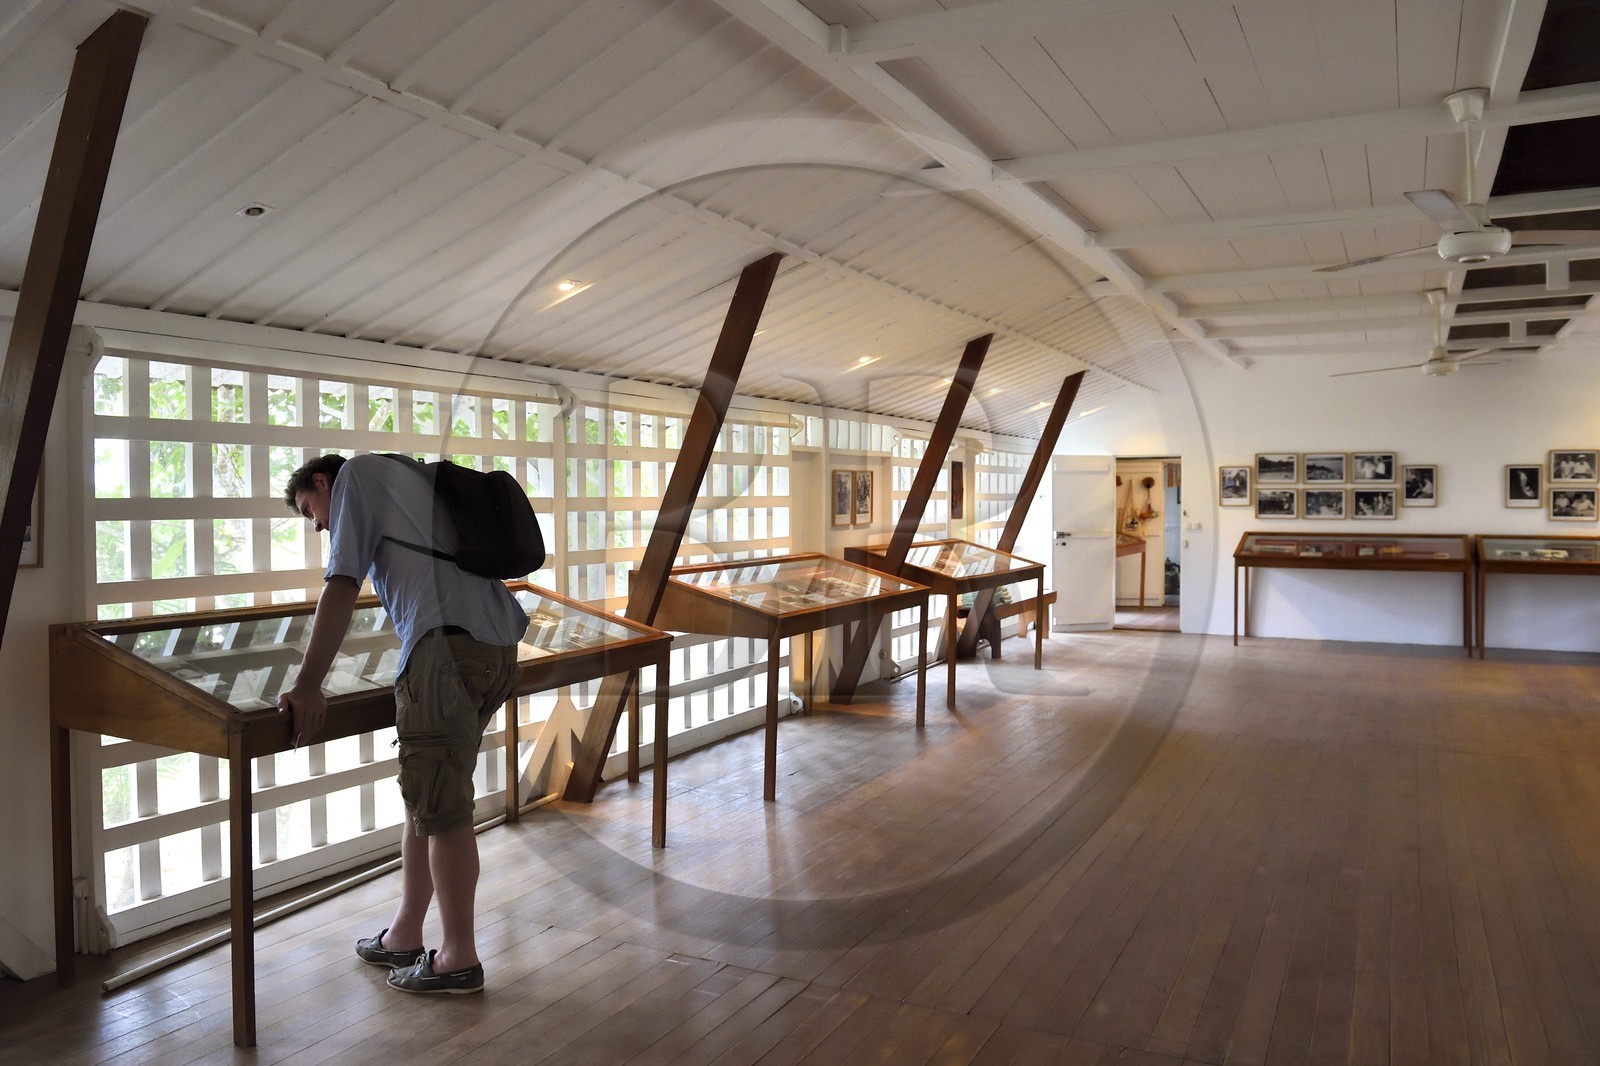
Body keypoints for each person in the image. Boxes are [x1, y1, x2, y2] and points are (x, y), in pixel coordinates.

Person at [277, 453, 527, 995]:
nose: (318, 523)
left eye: (309, 510)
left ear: (323, 482)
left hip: (444, 644)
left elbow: (342, 584)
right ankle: (404, 934)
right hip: (494, 644)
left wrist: (307, 683)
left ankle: (458, 957)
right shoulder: (405, 474)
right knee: (428, 795)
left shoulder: (358, 478)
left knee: (443, 807)